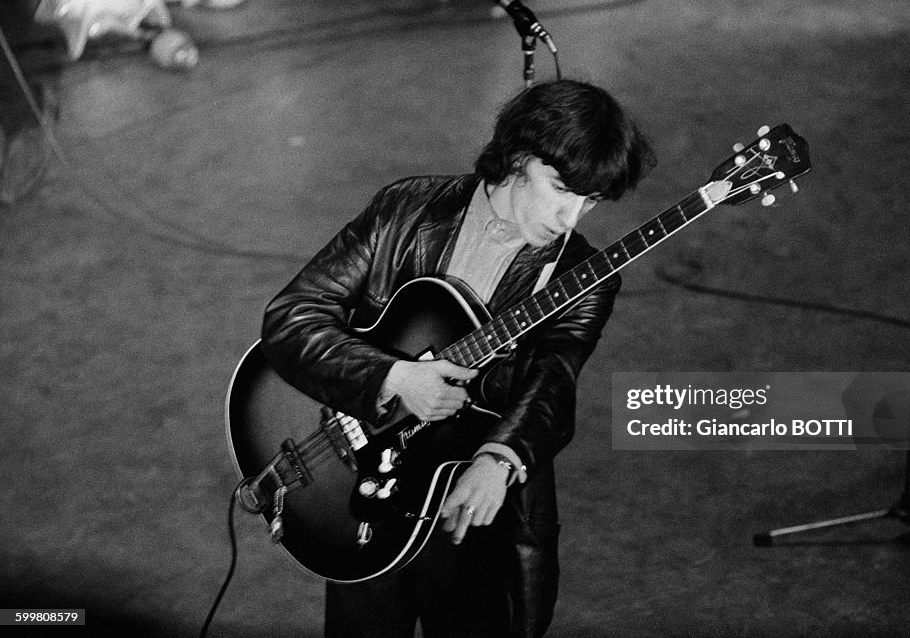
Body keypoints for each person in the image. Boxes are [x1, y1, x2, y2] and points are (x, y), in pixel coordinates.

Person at [260, 78, 656, 638]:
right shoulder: (407, 208)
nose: (571, 218)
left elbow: (553, 382)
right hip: (361, 484)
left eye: (589, 201)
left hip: (466, 502)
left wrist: (499, 460)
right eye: (561, 189)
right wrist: (394, 377)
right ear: (520, 157)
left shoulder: (581, 278)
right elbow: (292, 315)